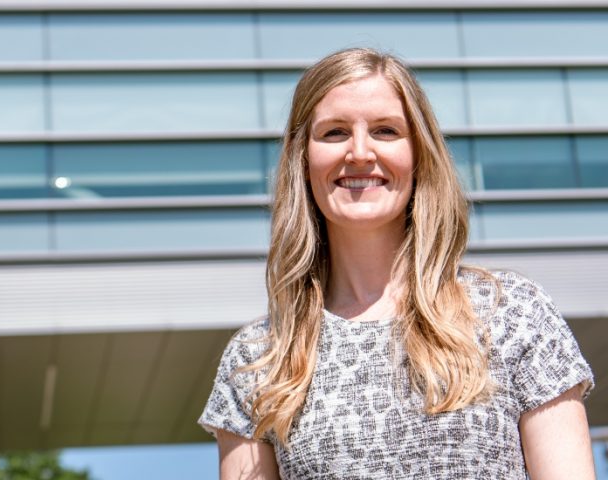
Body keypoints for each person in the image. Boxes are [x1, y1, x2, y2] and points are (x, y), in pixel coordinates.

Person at [198, 48, 595, 479]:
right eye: (334, 133)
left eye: (386, 131)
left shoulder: (511, 314)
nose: (360, 153)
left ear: (419, 155)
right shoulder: (259, 361)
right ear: (303, 160)